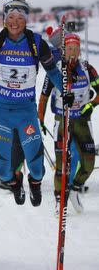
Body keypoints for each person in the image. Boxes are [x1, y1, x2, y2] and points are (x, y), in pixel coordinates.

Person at [0, 0, 65, 207]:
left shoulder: (36, 43)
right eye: (11, 17)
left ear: (26, 20)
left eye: (20, 18)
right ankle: (14, 183)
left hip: (26, 111)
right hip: (2, 111)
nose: (15, 22)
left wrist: (65, 92)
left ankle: (34, 183)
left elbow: (52, 71)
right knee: (2, 167)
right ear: (5, 19)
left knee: (36, 163)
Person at [38, 32, 99, 213]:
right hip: (62, 120)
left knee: (88, 163)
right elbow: (43, 96)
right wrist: (40, 119)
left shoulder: (88, 69)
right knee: (61, 165)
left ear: (79, 51)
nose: (72, 52)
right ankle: (59, 198)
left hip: (81, 120)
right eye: (69, 48)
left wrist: (92, 105)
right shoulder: (54, 71)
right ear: (63, 50)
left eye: (76, 49)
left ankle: (74, 188)